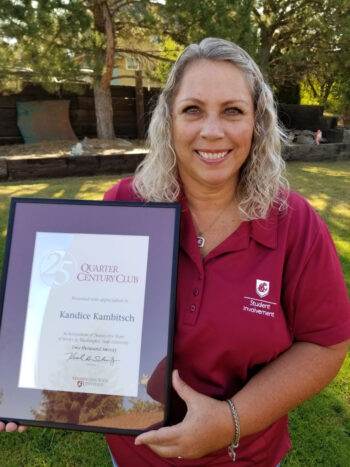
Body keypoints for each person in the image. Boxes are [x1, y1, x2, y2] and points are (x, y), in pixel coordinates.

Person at [2, 38, 350, 466]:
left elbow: (325, 343)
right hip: (135, 455)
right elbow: (72, 311)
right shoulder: (124, 206)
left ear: (257, 122)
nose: (212, 130)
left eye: (233, 111)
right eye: (193, 110)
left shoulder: (295, 224)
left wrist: (229, 421)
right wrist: (27, 379)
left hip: (245, 457)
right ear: (169, 120)